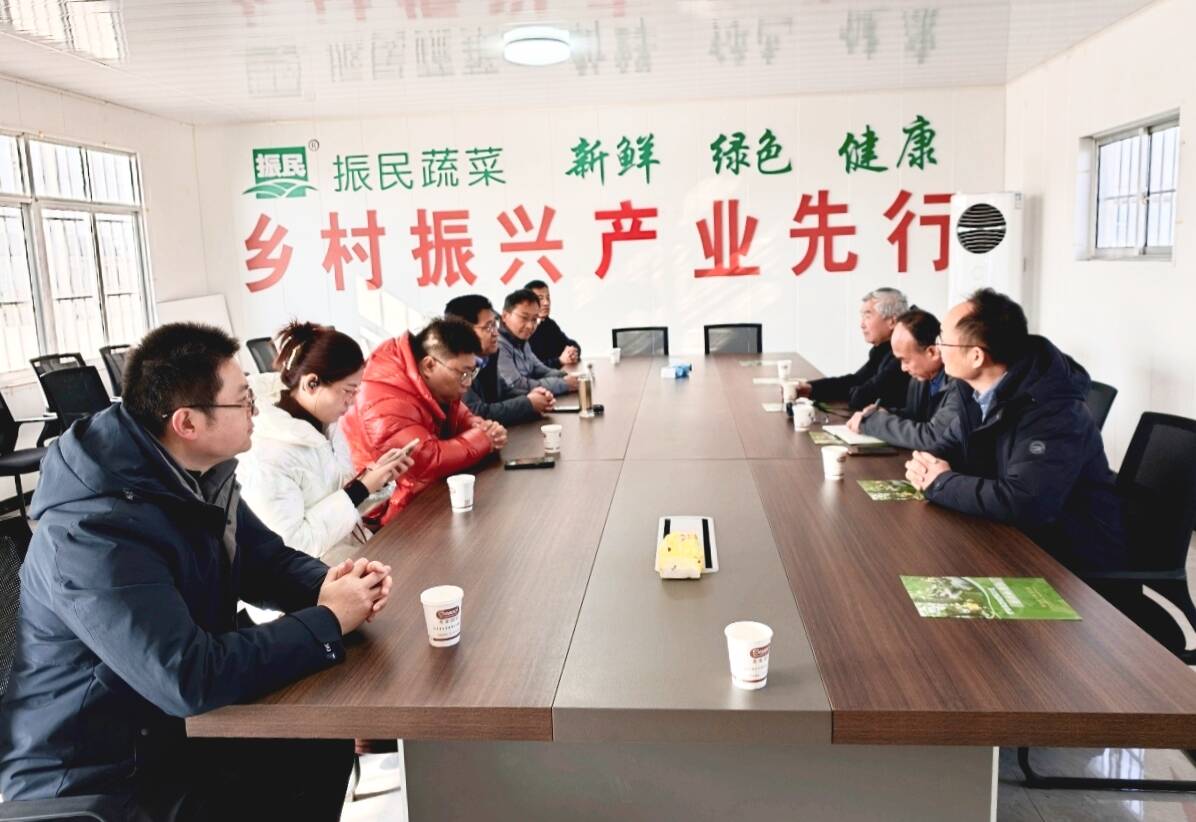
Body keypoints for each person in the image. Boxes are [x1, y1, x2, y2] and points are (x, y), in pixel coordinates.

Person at [0, 322, 393, 820]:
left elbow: (265, 562)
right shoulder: (92, 531)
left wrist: (333, 586)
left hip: (165, 728)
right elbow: (187, 676)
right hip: (99, 774)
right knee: (296, 754)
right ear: (187, 422)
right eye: (243, 400)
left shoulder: (195, 476)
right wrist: (327, 620)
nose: (256, 410)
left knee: (319, 739)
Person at [904, 289, 1127, 574]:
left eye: (942, 340)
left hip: (1068, 559)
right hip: (1008, 536)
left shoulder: (1053, 410)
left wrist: (940, 482)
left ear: (976, 356)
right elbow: (945, 448)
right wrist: (925, 467)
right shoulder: (972, 391)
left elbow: (1025, 502)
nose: (937, 349)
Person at [238, 322, 414, 566]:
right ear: (312, 384)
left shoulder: (325, 424)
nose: (352, 402)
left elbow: (338, 500)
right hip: (313, 576)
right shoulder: (268, 453)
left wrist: (375, 480)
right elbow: (293, 545)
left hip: (352, 553)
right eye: (348, 391)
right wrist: (360, 489)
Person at [341, 319, 506, 524]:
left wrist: (480, 427)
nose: (468, 382)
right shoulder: (382, 399)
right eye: (463, 373)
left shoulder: (431, 384)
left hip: (421, 496)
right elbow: (425, 460)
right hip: (383, 518)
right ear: (429, 365)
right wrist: (483, 438)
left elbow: (460, 415)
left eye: (472, 372)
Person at [846, 308, 963, 451]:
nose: (903, 368)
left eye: (906, 360)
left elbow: (933, 437)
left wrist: (871, 422)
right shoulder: (920, 378)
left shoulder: (961, 385)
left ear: (932, 352)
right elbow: (916, 418)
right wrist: (885, 413)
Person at [445, 294, 555, 426]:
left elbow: (504, 392)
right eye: (488, 327)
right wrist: (528, 403)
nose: (496, 333)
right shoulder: (453, 367)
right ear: (463, 332)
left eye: (495, 325)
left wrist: (533, 396)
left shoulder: (486, 358)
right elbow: (476, 413)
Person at [798, 287, 911, 410]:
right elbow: (856, 380)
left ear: (892, 322)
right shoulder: (882, 349)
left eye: (868, 316)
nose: (862, 325)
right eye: (862, 317)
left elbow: (861, 398)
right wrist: (810, 388)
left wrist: (854, 391)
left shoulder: (903, 355)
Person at [497, 289, 579, 397]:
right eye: (524, 317)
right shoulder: (497, 345)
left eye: (534, 319)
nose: (530, 326)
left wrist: (566, 376)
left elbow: (539, 369)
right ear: (505, 316)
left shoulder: (522, 341)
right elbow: (517, 385)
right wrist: (564, 384)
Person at [526, 279, 581, 368]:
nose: (546, 303)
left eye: (548, 298)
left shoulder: (549, 323)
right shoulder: (522, 330)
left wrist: (572, 352)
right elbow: (531, 368)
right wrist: (560, 361)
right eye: (540, 298)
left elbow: (570, 343)